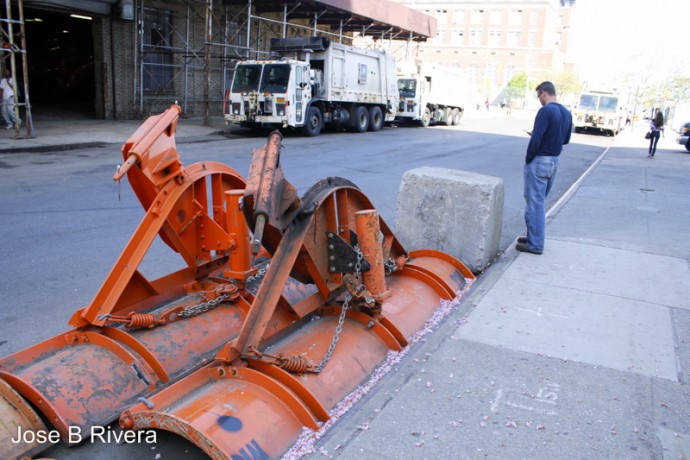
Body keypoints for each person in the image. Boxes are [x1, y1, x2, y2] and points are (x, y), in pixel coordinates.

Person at [516, 81, 572, 255]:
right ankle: (533, 236)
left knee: (535, 203)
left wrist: (528, 158)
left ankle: (535, 244)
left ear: (544, 93)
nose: (538, 99)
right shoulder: (566, 112)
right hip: (554, 161)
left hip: (540, 161)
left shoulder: (545, 111)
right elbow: (565, 139)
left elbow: (536, 139)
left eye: (538, 96)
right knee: (538, 202)